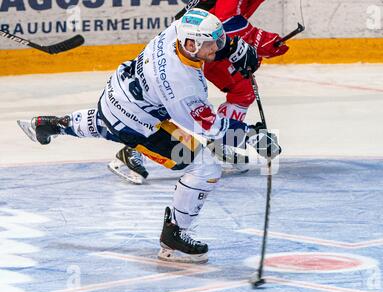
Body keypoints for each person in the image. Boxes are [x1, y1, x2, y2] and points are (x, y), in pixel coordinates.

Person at [17, 9, 281, 263]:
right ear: (190, 45)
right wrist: (251, 137)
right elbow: (209, 128)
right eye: (211, 45)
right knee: (204, 165)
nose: (216, 47)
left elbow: (202, 30)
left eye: (217, 42)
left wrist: (232, 47)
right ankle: (174, 236)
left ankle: (51, 125)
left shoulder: (177, 31)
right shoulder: (181, 83)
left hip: (118, 94)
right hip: (138, 123)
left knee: (105, 120)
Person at [109, 0, 290, 184]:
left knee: (243, 88)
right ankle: (134, 145)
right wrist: (257, 39)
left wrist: (240, 48)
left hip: (207, 41)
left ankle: (220, 144)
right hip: (190, 45)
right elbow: (224, 19)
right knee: (170, 101)